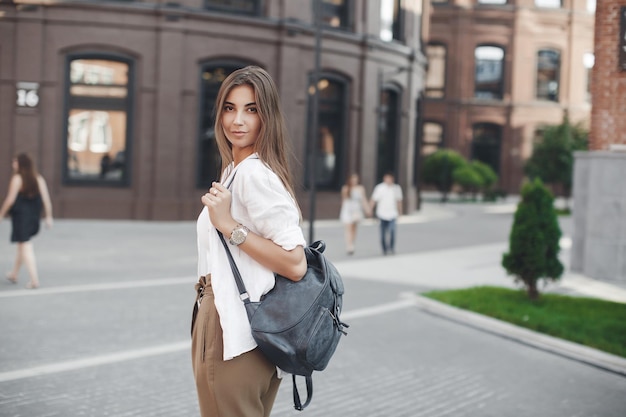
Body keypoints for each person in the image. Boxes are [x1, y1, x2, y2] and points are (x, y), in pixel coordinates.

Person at [192, 66, 307, 417]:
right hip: (235, 323)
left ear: (266, 117)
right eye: (229, 108)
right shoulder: (236, 170)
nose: (237, 120)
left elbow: (295, 263)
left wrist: (229, 225)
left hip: (233, 329)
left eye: (251, 109)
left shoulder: (255, 174)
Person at [0, 153, 53, 289]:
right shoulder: (38, 178)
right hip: (33, 217)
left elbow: (10, 200)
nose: (13, 164)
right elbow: (46, 199)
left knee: (25, 245)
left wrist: (1, 214)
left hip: (21, 218)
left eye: (15, 162)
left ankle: (34, 279)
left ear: (21, 164)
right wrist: (48, 216)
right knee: (21, 245)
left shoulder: (17, 178)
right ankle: (14, 273)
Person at [370, 172, 403, 255]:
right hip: (382, 214)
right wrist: (370, 209)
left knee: (392, 231)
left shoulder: (396, 188)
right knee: (382, 234)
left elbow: (399, 201)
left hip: (392, 213)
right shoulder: (379, 188)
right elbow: (374, 199)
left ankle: (391, 247)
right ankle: (384, 249)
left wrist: (400, 212)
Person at [339, 173, 371, 254]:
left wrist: (367, 209)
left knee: (354, 228)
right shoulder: (345, 188)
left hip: (356, 210)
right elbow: (343, 200)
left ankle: (352, 242)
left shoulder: (360, 188)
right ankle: (349, 245)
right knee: (348, 227)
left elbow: (363, 200)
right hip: (347, 209)